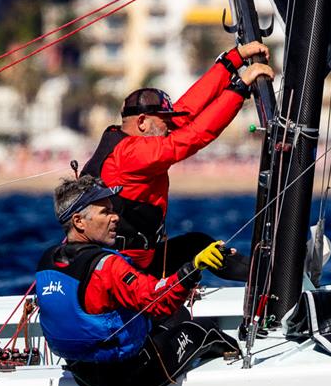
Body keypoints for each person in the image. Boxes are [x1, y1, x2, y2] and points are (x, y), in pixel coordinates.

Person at [35, 175, 239, 386]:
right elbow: (158, 301)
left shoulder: (48, 260)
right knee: (206, 330)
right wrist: (193, 267)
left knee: (177, 316)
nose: (116, 218)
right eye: (105, 212)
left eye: (113, 210)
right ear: (78, 221)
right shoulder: (108, 266)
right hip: (131, 380)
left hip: (84, 375)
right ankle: (238, 367)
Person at [81, 42, 275, 280]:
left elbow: (186, 111)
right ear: (142, 121)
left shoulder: (130, 137)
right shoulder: (130, 155)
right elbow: (194, 137)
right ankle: (273, 276)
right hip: (122, 273)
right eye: (164, 120)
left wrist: (232, 61)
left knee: (200, 245)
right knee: (196, 257)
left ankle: (269, 275)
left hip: (142, 261)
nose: (170, 125)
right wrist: (240, 88)